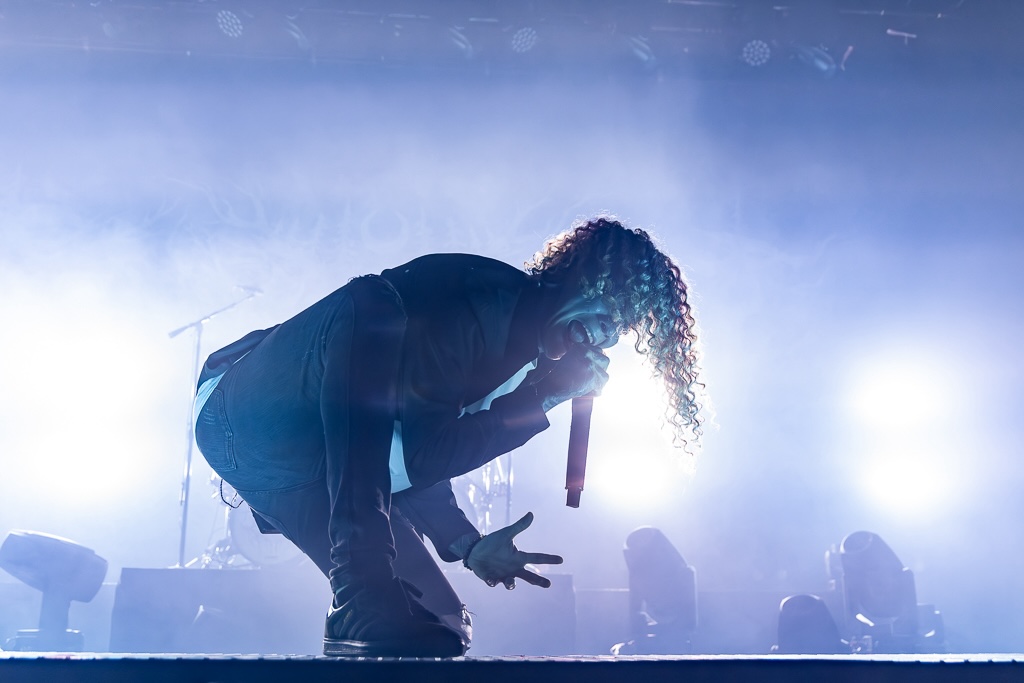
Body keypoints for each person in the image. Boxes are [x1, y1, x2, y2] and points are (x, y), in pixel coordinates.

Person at [192, 216, 703, 657]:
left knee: (439, 624)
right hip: (243, 413)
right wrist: (543, 401)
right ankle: (359, 588)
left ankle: (364, 604)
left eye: (623, 326)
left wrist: (466, 543)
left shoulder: (522, 360)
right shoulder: (476, 304)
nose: (608, 334)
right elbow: (419, 454)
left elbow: (403, 449)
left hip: (302, 466)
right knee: (370, 311)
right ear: (576, 279)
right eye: (609, 309)